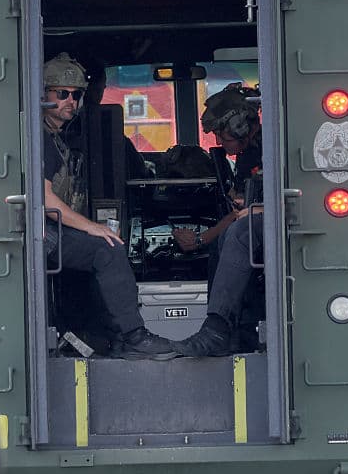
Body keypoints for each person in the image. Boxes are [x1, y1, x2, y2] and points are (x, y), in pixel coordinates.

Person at [42, 52, 177, 360]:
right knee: (108, 248)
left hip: (48, 232)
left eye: (76, 95)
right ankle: (133, 335)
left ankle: (106, 336)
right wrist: (92, 227)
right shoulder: (40, 138)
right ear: (43, 94)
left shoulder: (54, 138)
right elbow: (43, 200)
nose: (70, 101)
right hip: (42, 235)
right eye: (61, 94)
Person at [171, 83, 264, 357]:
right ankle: (227, 332)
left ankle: (218, 330)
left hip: (284, 224)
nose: (220, 144)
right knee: (227, 236)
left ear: (240, 129)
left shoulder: (272, 146)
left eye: (223, 137)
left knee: (237, 233)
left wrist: (257, 210)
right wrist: (203, 240)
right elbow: (239, 212)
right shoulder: (248, 155)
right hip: (254, 223)